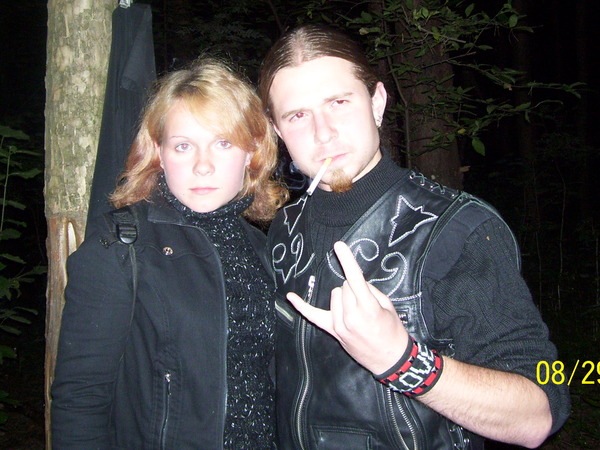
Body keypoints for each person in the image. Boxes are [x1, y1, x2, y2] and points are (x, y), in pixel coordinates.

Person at [258, 24, 570, 449]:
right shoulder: (283, 229)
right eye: (298, 115)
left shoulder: (457, 229)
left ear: (377, 102)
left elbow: (539, 411)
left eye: (339, 102)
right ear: (278, 131)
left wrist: (402, 360)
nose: (323, 132)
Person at [51, 57, 288, 449]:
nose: (203, 166)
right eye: (183, 146)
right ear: (159, 154)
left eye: (223, 143)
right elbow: (80, 399)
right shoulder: (120, 246)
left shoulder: (264, 249)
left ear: (251, 152)